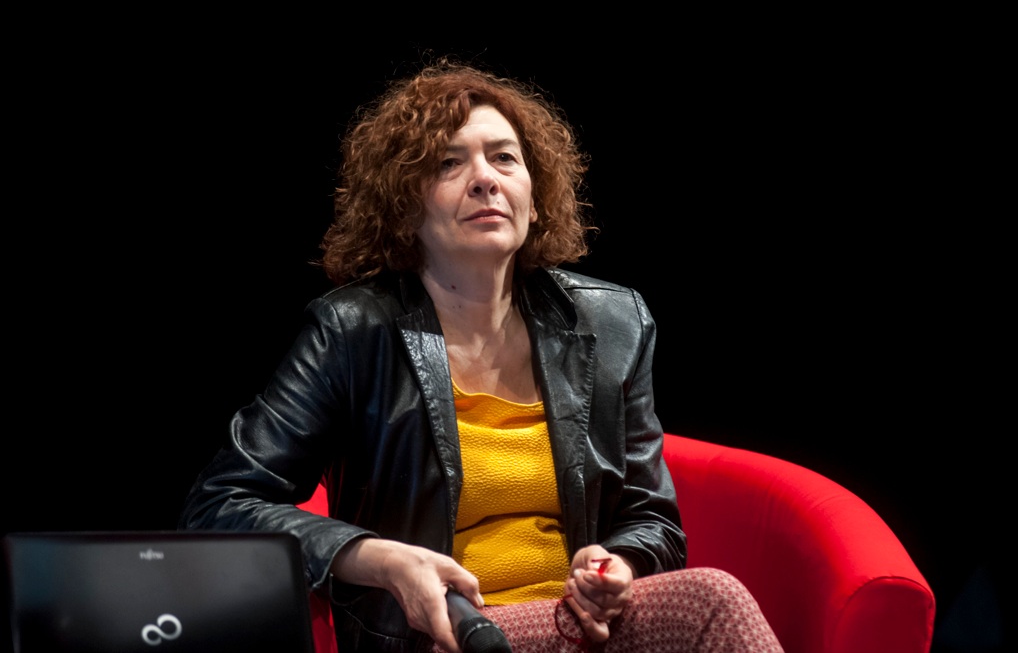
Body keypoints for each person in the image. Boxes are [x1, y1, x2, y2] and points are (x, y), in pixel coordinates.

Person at [179, 59, 783, 653]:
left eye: (504, 158)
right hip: (444, 635)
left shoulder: (613, 323)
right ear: (404, 206)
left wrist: (617, 568)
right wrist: (383, 560)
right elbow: (220, 503)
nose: (485, 179)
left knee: (712, 598)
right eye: (448, 163)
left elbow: (652, 519)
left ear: (534, 197)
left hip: (581, 628)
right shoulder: (353, 331)